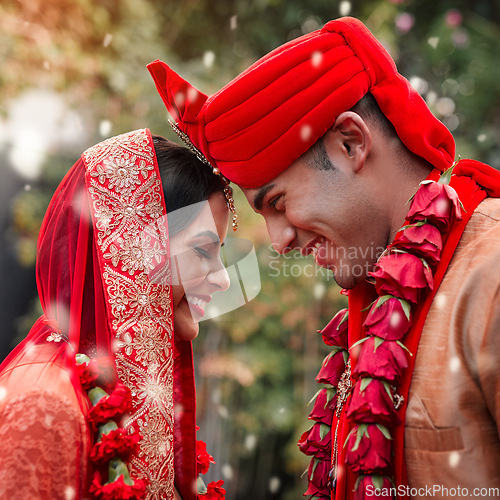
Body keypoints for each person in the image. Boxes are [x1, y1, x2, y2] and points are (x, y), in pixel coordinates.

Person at [147, 16, 500, 500]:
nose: (278, 241)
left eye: (277, 202)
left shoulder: (491, 272)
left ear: (350, 143)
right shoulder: (379, 295)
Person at [0, 128, 231, 500]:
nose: (223, 280)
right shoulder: (43, 404)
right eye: (203, 251)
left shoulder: (119, 387)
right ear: (133, 254)